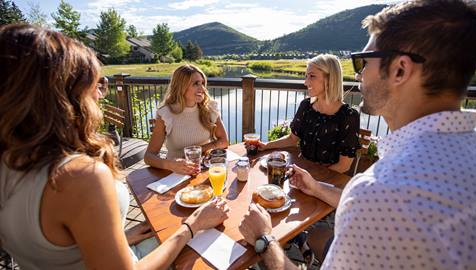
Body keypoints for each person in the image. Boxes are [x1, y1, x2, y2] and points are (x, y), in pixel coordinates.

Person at [239, 0, 476, 269]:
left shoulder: (379, 192)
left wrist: (264, 239)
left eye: (363, 62)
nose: (360, 74)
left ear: (400, 69)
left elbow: (375, 200)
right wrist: (317, 187)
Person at [0, 24, 229, 269]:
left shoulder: (10, 160)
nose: (100, 94)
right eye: (94, 84)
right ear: (60, 95)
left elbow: (61, 250)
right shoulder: (78, 177)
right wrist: (191, 226)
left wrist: (121, 238)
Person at [257, 54, 360, 173]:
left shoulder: (349, 116)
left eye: (312, 76)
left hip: (328, 182)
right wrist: (265, 146)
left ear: (330, 78)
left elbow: (343, 166)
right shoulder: (306, 106)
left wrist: (312, 181)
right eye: (306, 76)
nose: (305, 82)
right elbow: (292, 139)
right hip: (302, 174)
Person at [145, 64, 229, 175]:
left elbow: (224, 142)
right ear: (181, 86)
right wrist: (170, 164)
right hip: (175, 174)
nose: (202, 88)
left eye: (202, 83)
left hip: (204, 170)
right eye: (196, 84)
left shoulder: (210, 108)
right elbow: (149, 157)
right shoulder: (166, 113)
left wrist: (197, 150)